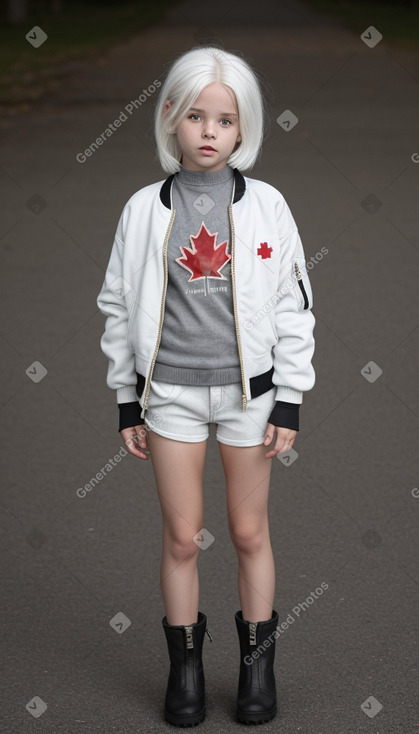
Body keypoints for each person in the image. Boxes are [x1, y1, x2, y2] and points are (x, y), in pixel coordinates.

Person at [96, 45, 315, 727]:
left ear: (244, 127)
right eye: (195, 115)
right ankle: (184, 668)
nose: (209, 131)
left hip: (251, 394)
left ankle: (257, 666)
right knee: (183, 537)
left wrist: (290, 394)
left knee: (249, 532)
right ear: (170, 120)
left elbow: (292, 304)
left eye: (224, 119)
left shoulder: (267, 207)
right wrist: (127, 395)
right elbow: (116, 303)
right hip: (172, 398)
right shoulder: (142, 210)